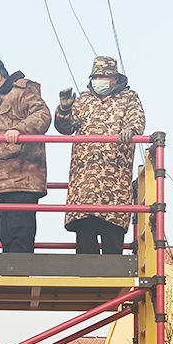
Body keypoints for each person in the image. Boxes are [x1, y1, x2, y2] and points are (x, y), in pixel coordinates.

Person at [54, 56, 146, 255]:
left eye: (102, 77)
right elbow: (65, 128)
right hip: (84, 185)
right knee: (85, 250)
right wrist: (64, 109)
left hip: (114, 187)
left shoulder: (129, 98)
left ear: (114, 78)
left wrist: (131, 131)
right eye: (94, 77)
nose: (97, 81)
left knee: (112, 247)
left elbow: (137, 120)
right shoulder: (83, 100)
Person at [0, 56, 51, 253]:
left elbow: (42, 115)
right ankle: (10, 271)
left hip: (22, 178)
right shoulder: (2, 100)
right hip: (5, 180)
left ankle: (19, 272)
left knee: (20, 234)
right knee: (7, 236)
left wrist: (19, 130)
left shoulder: (22, 90)